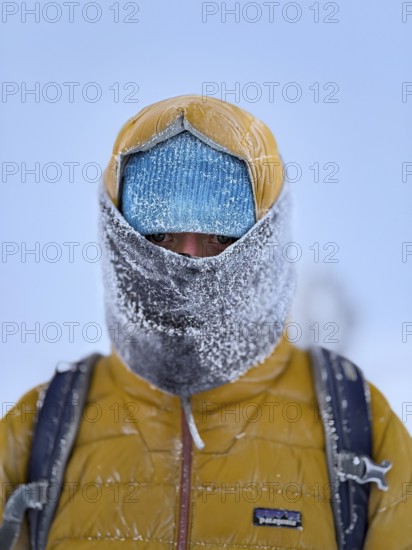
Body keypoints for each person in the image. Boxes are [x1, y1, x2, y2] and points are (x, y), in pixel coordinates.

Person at [1, 95, 411, 549]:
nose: (187, 258)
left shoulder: (359, 426)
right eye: (159, 232)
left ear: (266, 238)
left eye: (219, 235)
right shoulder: (38, 429)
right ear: (117, 233)